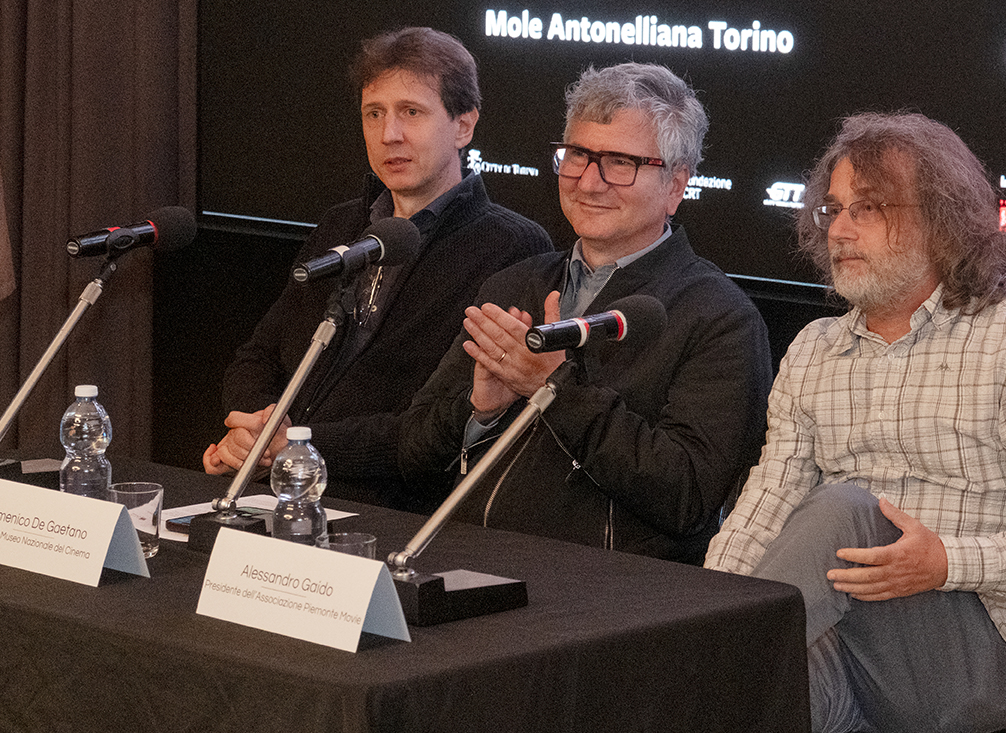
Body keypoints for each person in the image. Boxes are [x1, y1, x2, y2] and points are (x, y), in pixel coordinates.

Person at [705, 111, 1006, 733]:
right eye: (832, 210)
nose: (839, 229)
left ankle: (696, 658)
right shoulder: (814, 350)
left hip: (972, 667)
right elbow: (763, 509)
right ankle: (694, 663)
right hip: (847, 658)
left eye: (866, 208)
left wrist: (944, 562)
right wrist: (703, 604)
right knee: (709, 723)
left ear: (938, 219)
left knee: (845, 511)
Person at [395, 63, 773, 565]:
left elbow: (688, 498)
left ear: (676, 185)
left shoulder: (720, 317)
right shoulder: (516, 284)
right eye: (577, 155)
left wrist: (555, 391)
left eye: (620, 162)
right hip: (468, 561)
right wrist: (479, 410)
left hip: (607, 590)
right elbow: (410, 454)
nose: (589, 182)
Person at [203, 27, 552, 510]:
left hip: (391, 508)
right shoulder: (341, 225)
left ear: (464, 125)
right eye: (374, 114)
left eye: (412, 112)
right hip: (280, 488)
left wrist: (293, 445)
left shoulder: (510, 245)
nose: (390, 134)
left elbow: (441, 421)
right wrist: (252, 428)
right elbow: (259, 355)